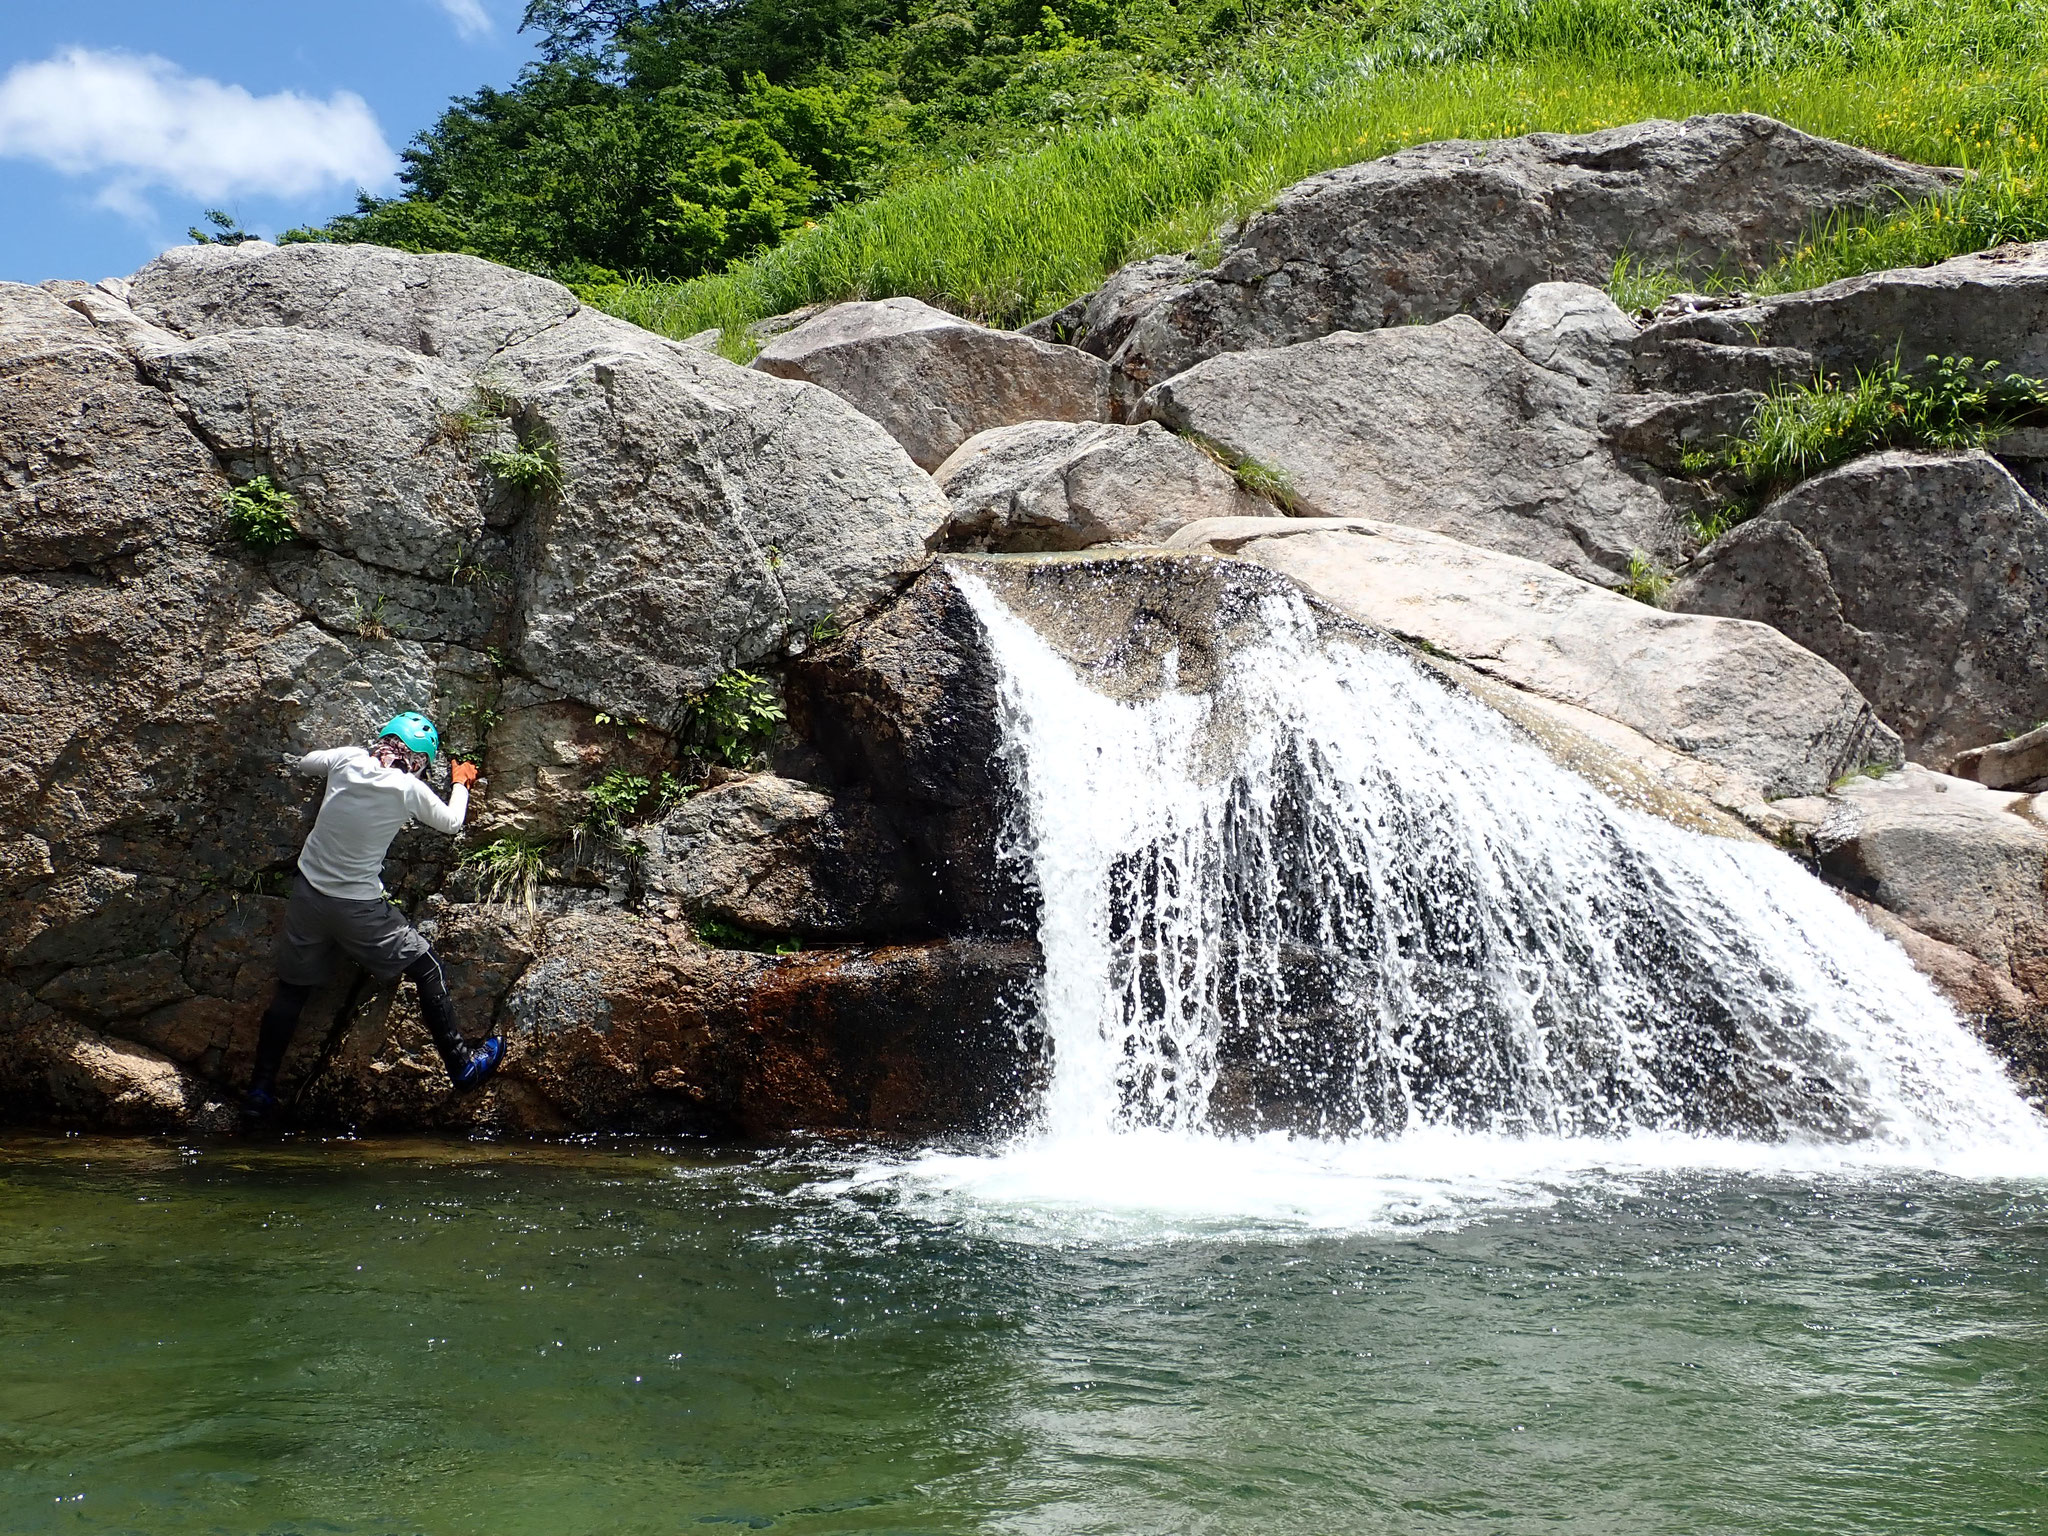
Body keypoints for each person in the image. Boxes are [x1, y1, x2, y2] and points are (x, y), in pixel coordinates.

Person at [241, 711, 504, 1123]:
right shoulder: (406, 788)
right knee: (427, 968)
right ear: (418, 762)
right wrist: (459, 783)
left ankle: (259, 1091)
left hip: (308, 896)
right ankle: (463, 1066)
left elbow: (305, 762)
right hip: (359, 909)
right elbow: (452, 823)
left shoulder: (347, 759)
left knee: (292, 991)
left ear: (382, 739)